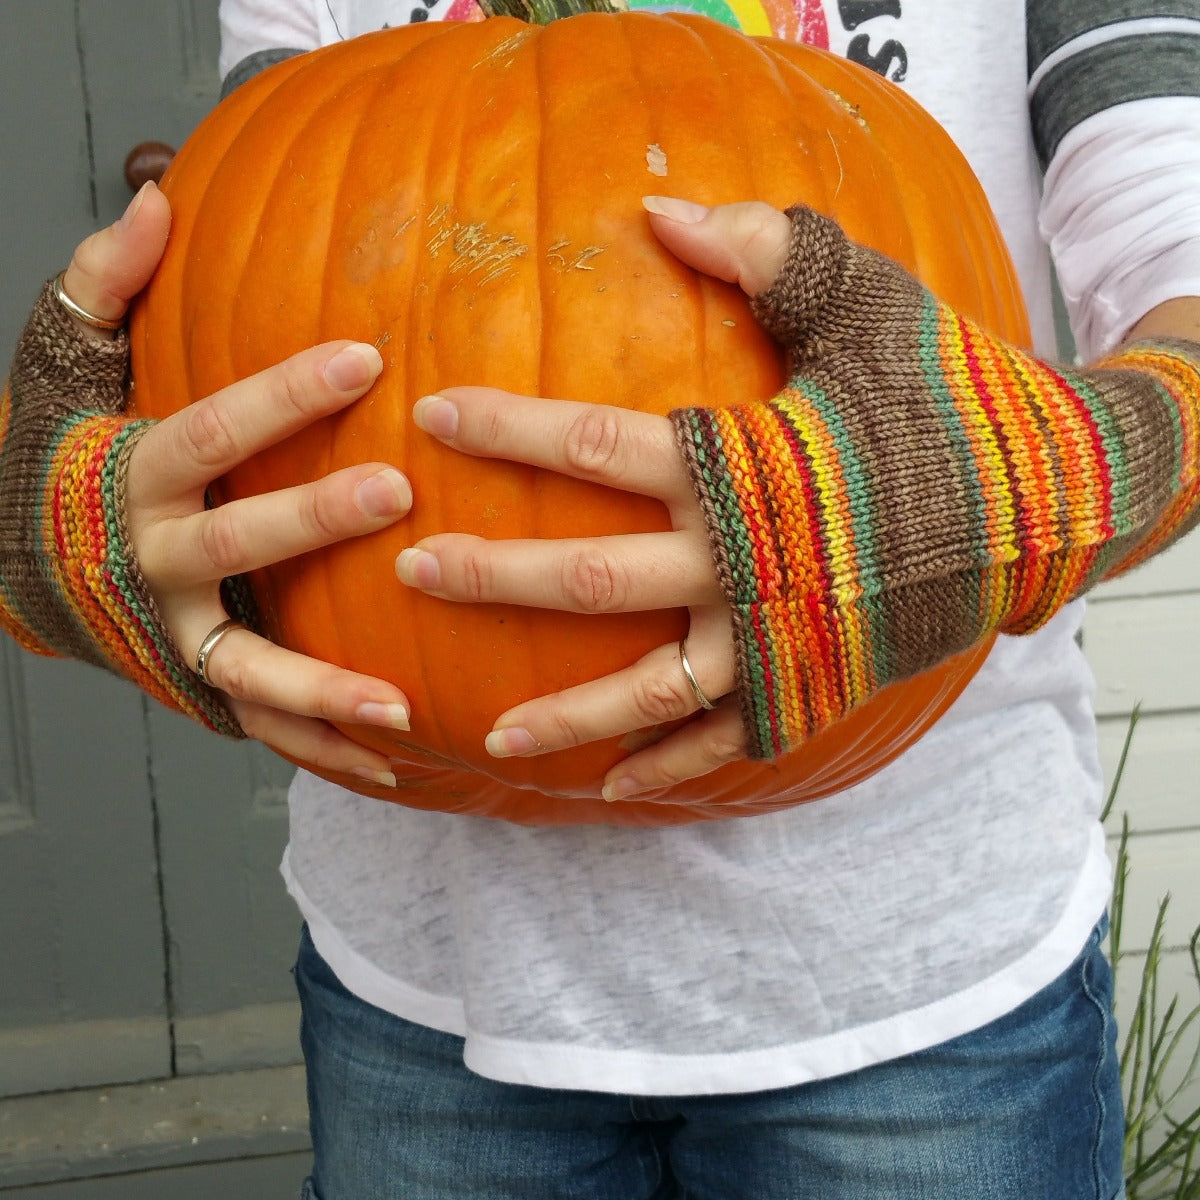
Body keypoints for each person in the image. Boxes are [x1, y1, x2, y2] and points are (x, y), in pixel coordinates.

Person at [3, 0, 1200, 1196]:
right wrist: (83, 526)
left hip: (926, 993)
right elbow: (247, 283)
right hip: (427, 983)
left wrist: (1046, 482)